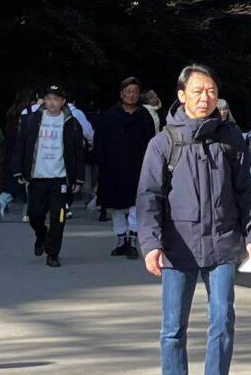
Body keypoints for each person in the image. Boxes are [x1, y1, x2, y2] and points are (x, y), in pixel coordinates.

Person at [137, 64, 251, 375]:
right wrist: (151, 243)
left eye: (211, 91)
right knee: (173, 326)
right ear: (181, 96)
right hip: (177, 247)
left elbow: (248, 193)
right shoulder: (163, 143)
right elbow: (149, 197)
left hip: (222, 244)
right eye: (198, 91)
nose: (206, 97)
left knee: (222, 319)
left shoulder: (231, 139)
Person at [19, 86, 86, 265]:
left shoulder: (71, 122)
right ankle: (41, 234)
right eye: (48, 98)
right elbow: (21, 145)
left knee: (59, 217)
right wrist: (18, 169)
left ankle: (53, 253)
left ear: (63, 102)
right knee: (34, 215)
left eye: (56, 99)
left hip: (60, 178)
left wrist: (78, 178)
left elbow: (79, 152)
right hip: (37, 176)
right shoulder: (32, 120)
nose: (52, 103)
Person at [93, 77, 156, 257]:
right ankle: (121, 239)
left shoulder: (145, 116)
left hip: (138, 167)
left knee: (136, 205)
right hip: (113, 168)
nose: (131, 95)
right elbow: (99, 141)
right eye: (128, 92)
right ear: (121, 94)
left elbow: (152, 142)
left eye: (135, 92)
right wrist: (101, 162)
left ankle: (133, 241)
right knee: (116, 206)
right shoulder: (109, 116)